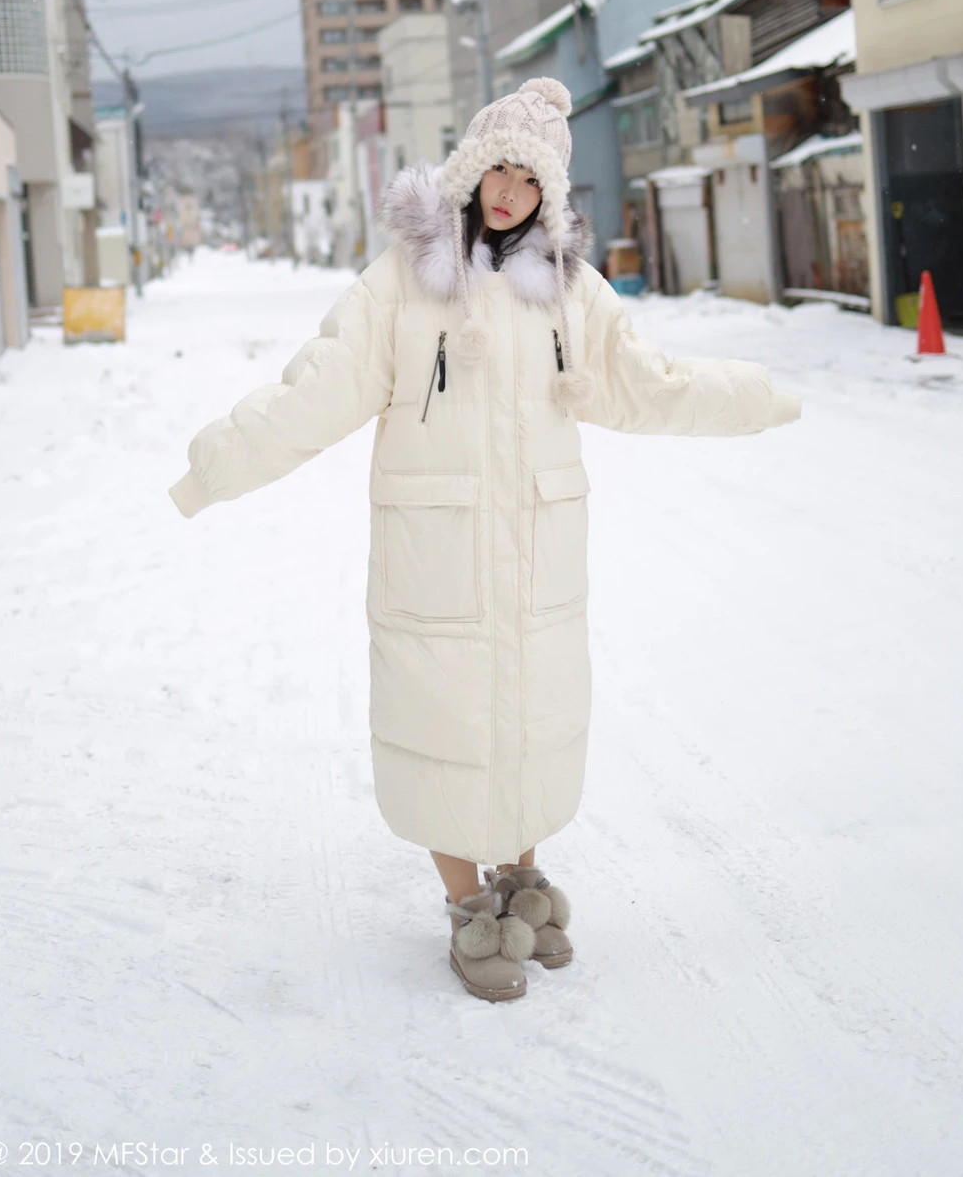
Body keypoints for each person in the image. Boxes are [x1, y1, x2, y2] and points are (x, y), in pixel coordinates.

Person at [169, 77, 801, 1003]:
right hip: (439, 562)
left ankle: (520, 882)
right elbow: (318, 389)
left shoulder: (571, 294)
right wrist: (215, 466)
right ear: (470, 169)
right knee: (447, 727)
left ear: (551, 193)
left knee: (531, 726)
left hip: (538, 557)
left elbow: (649, 382)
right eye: (495, 167)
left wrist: (758, 397)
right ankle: (469, 907)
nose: (508, 190)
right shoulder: (403, 282)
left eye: (528, 176)